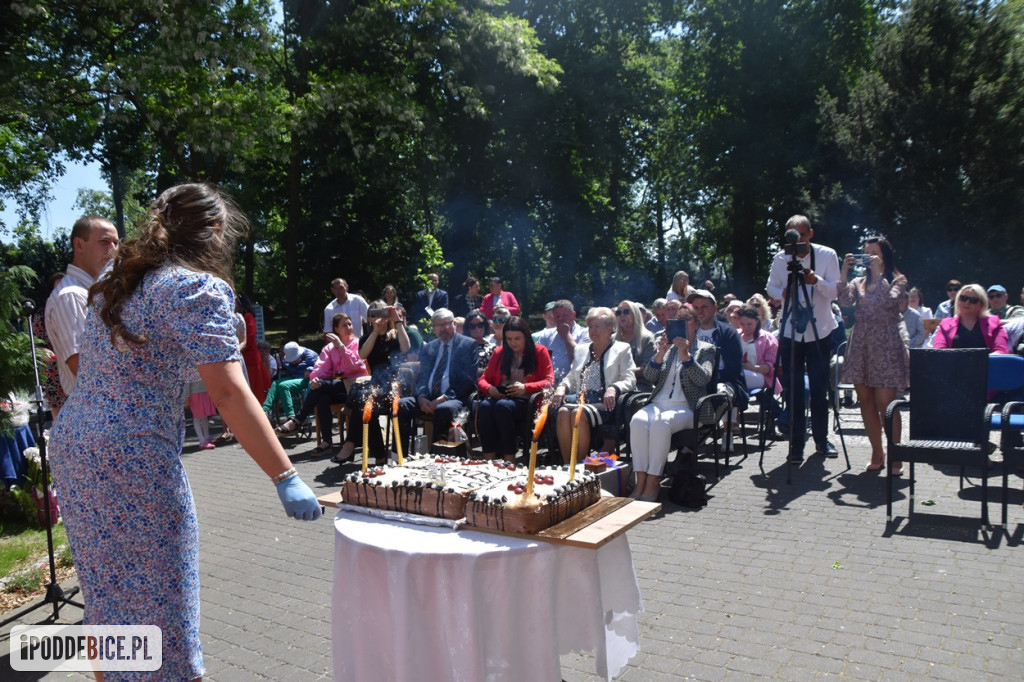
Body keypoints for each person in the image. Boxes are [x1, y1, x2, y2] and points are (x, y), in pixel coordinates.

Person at [48, 183, 320, 682]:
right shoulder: (196, 287)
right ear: (215, 232)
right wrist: (285, 475)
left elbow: (146, 367)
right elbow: (230, 394)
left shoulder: (118, 280)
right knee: (166, 604)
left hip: (75, 446)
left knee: (107, 597)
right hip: (130, 457)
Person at [765, 214, 841, 464]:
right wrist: (784, 292)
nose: (797, 243)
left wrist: (815, 280)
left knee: (820, 388)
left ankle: (821, 439)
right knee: (794, 390)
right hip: (790, 332)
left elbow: (835, 292)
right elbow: (771, 288)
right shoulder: (781, 258)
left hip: (820, 331)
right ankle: (796, 445)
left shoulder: (828, 255)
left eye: (801, 236)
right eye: (792, 237)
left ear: (811, 234)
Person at [628, 304, 715, 501]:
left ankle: (653, 482)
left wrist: (686, 355)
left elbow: (704, 379)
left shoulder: (705, 349)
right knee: (638, 421)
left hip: (688, 406)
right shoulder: (667, 349)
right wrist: (660, 353)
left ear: (696, 324)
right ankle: (640, 480)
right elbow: (650, 376)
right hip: (659, 402)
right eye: (678, 319)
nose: (682, 323)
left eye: (687, 319)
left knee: (660, 424)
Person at [838, 237, 910, 473]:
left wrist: (879, 274)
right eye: (866, 253)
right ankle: (877, 451)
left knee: (886, 403)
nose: (869, 257)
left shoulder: (897, 280)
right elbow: (844, 301)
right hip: (861, 345)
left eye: (874, 253)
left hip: (886, 345)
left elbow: (889, 302)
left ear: (884, 256)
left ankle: (896, 454)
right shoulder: (858, 282)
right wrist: (844, 272)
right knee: (865, 401)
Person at [45, 216, 120, 404]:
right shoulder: (72, 296)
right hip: (98, 412)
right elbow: (84, 369)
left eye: (116, 242)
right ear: (79, 245)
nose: (112, 249)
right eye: (104, 242)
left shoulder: (93, 293)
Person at [550, 307, 636, 463]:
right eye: (590, 326)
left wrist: (613, 388)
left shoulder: (621, 349)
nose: (592, 330)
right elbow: (572, 377)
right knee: (562, 412)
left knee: (578, 412)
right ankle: (568, 464)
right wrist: (562, 387)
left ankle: (581, 467)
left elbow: (630, 378)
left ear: (610, 329)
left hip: (605, 402)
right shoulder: (581, 349)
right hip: (581, 398)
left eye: (597, 326)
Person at [333, 300, 412, 465]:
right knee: (365, 402)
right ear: (369, 318)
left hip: (396, 385)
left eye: (382, 313)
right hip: (376, 385)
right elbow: (362, 355)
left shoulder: (396, 334)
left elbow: (406, 348)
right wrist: (375, 332)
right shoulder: (367, 338)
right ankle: (379, 455)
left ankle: (352, 445)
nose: (379, 318)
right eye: (374, 315)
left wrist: (396, 320)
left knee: (362, 400)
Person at [276, 313, 368, 453]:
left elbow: (356, 365)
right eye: (344, 325)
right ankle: (327, 442)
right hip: (338, 388)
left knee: (323, 388)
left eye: (349, 324)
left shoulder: (357, 343)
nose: (349, 327)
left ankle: (298, 419)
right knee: (322, 396)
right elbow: (321, 368)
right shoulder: (329, 349)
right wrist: (315, 380)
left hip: (355, 387)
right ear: (336, 329)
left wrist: (342, 347)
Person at [397, 308, 478, 451]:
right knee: (401, 404)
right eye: (438, 326)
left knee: (443, 409)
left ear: (454, 324)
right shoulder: (429, 348)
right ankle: (400, 456)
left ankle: (437, 457)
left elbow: (468, 381)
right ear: (433, 328)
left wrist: (444, 398)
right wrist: (421, 397)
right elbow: (422, 378)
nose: (443, 329)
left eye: (446, 324)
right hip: (429, 397)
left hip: (455, 397)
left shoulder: (467, 345)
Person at [476, 316, 555, 461]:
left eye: (517, 338)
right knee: (485, 406)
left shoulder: (539, 351)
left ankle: (509, 459)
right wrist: (490, 389)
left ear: (526, 336)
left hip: (528, 401)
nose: (512, 343)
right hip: (503, 397)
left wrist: (526, 387)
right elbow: (483, 379)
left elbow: (549, 381)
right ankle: (488, 457)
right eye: (509, 339)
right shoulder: (500, 353)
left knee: (502, 407)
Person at [932, 284, 1009, 353]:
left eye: (973, 300)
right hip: (954, 367)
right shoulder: (945, 325)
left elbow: (1001, 350)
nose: (967, 302)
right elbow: (939, 352)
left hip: (986, 367)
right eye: (963, 298)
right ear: (958, 300)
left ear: (981, 305)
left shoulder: (995, 323)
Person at [534, 299, 590, 384]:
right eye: (557, 316)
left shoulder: (584, 333)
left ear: (573, 315)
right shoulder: (546, 335)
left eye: (565, 316)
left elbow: (579, 359)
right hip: (549, 383)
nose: (561, 319)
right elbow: (537, 361)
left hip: (573, 384)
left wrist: (566, 335)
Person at [264, 341, 317, 422]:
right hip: (293, 377)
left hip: (306, 379)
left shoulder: (311, 356)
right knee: (275, 383)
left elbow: (320, 367)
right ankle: (265, 409)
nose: (292, 362)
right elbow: (287, 365)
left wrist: (310, 370)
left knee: (283, 385)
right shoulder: (288, 357)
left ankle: (290, 415)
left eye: (294, 359)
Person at [614, 300, 657, 391]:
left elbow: (647, 368)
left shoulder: (647, 338)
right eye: (618, 313)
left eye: (626, 312)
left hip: (639, 385)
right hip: (613, 382)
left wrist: (622, 374)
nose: (622, 315)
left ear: (635, 314)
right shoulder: (612, 339)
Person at [237, 292, 272, 403]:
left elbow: (250, 338)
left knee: (254, 393)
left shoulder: (248, 316)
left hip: (250, 360)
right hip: (242, 359)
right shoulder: (239, 317)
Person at [736, 305, 779, 394]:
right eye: (742, 324)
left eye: (749, 324)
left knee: (735, 377)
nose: (745, 328)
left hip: (760, 375)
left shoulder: (768, 338)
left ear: (756, 321)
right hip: (738, 372)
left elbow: (773, 366)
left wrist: (754, 368)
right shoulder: (736, 335)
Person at [464, 309, 496, 376]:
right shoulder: (462, 347)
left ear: (485, 326)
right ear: (468, 328)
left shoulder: (493, 347)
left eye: (480, 325)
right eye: (472, 326)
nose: (477, 329)